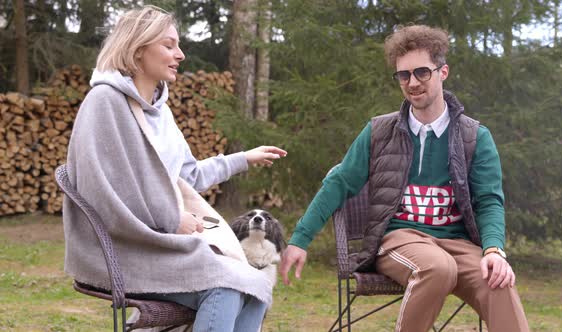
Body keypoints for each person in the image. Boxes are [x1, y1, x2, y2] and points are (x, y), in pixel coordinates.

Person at [279, 25, 529, 332]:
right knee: (437, 267)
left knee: (498, 282)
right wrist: (300, 239)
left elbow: (489, 201)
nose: (412, 82)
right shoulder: (380, 132)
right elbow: (339, 183)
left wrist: (493, 251)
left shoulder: (474, 137)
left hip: (458, 244)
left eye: (422, 72)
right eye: (404, 75)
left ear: (443, 72)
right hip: (400, 240)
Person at [63, 5, 287, 332]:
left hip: (163, 242)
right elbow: (103, 194)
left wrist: (244, 158)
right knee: (226, 288)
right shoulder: (104, 102)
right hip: (126, 248)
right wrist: (171, 218)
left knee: (255, 286)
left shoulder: (160, 112)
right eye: (169, 45)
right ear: (138, 50)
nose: (180, 54)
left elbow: (189, 175)